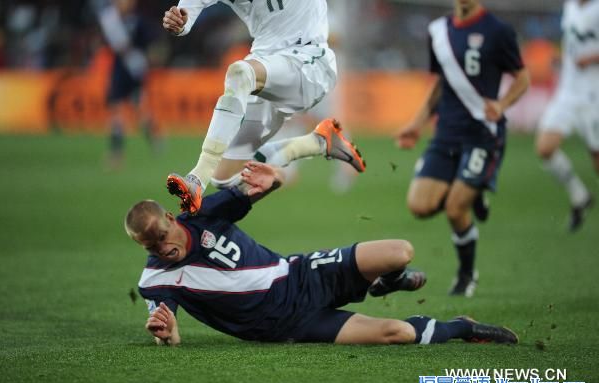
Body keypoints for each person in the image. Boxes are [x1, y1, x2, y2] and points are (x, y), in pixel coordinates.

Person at [125, 161, 518, 346]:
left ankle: (385, 280)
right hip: (289, 327)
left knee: (402, 251)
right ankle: (464, 327)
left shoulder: (204, 213)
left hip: (301, 273)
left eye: (163, 235)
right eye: (152, 246)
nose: (164, 248)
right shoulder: (155, 281)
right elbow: (167, 332)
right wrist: (167, 335)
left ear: (169, 217)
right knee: (395, 332)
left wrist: (273, 178)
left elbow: (265, 185)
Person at [161, 0, 365, 214]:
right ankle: (318, 142)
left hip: (308, 62)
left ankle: (197, 179)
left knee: (239, 73)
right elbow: (186, 12)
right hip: (265, 66)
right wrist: (179, 23)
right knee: (225, 177)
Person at [395, 0, 529, 297]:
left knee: (456, 208)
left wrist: (503, 104)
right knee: (419, 206)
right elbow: (442, 83)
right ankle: (474, 189)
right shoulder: (438, 31)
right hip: (446, 134)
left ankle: (467, 275)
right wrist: (416, 123)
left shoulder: (498, 31)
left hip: (483, 134)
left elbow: (523, 78)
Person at [536, 0, 599, 232]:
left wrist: (591, 58)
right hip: (567, 92)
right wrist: (563, 60)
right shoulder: (570, 5)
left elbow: (587, 50)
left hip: (593, 94)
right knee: (545, 147)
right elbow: (573, 42)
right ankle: (579, 196)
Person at [93, 0, 160, 169]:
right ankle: (117, 153)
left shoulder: (139, 21)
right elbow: (106, 44)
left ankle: (154, 137)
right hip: (118, 71)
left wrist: (150, 57)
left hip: (135, 71)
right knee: (116, 111)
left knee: (140, 110)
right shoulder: (110, 21)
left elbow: (151, 44)